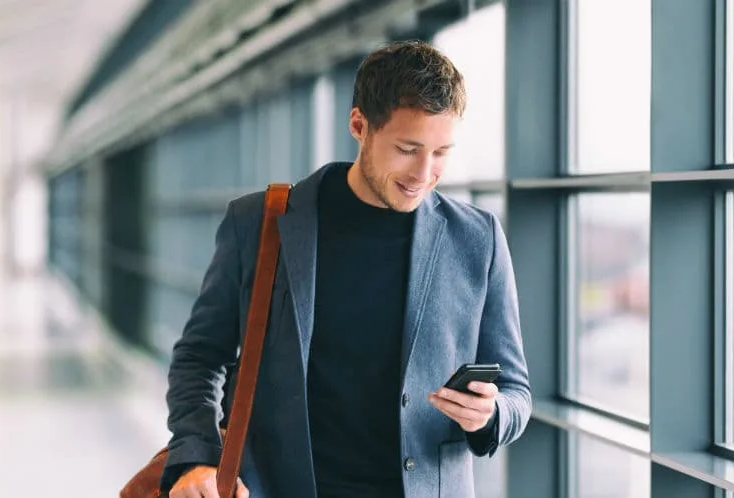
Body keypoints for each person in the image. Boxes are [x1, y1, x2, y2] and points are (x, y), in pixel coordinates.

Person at [161, 40, 531, 498]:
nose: (424, 172)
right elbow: (199, 357)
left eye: (441, 152)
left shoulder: (478, 239)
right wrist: (196, 456)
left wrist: (491, 416)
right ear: (360, 125)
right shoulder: (261, 223)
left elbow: (516, 392)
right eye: (407, 148)